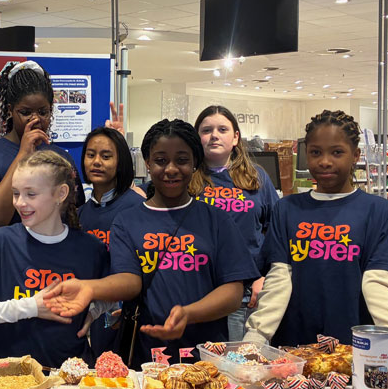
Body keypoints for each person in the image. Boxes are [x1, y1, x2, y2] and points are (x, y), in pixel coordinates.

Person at [243, 110, 388, 389]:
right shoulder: (287, 210)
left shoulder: (378, 213)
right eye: (315, 152)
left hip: (362, 355)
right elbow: (279, 280)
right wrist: (254, 340)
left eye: (337, 152)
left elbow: (380, 288)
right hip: (293, 353)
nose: (324, 161)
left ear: (355, 155)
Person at [43, 119, 258, 367]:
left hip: (206, 357)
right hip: (145, 357)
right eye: (161, 160)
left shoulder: (216, 220)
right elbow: (130, 280)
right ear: (147, 162)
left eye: (182, 160)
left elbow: (233, 292)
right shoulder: (128, 221)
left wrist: (189, 313)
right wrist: (90, 288)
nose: (171, 169)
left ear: (195, 163)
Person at [0, 151, 109, 368]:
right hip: (12, 378)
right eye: (16, 193)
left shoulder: (91, 248)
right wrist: (31, 307)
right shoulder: (0, 242)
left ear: (61, 193)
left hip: (72, 378)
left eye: (31, 194)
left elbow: (111, 293)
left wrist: (93, 312)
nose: (20, 203)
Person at [192, 105, 279, 340]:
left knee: (241, 368)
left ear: (236, 137)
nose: (214, 135)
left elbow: (276, 231)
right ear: (196, 137)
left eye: (222, 129)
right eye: (206, 130)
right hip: (199, 292)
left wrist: (266, 277)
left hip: (248, 293)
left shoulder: (257, 177)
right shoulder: (185, 179)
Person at [0, 60, 84, 230]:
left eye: (43, 112)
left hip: (55, 250)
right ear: (10, 110)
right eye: (25, 112)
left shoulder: (61, 158)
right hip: (10, 251)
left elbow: (75, 213)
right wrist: (23, 153)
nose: (35, 119)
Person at [78, 126, 145, 356]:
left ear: (121, 162)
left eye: (106, 156)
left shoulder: (138, 207)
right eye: (90, 155)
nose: (97, 162)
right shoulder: (79, 214)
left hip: (128, 311)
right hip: (91, 311)